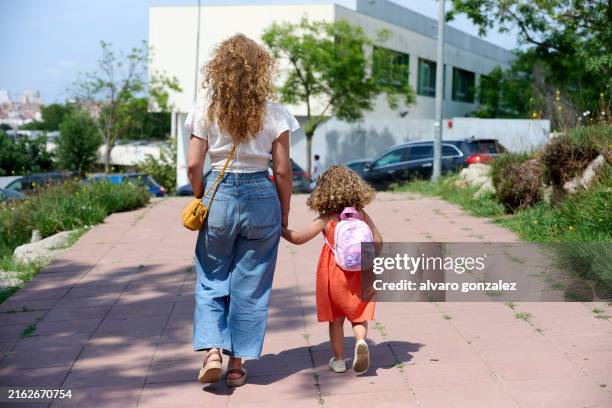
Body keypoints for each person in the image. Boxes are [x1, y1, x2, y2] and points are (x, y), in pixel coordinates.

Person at [185, 34, 299, 387]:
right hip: (262, 196)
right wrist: (283, 211)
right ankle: (236, 366)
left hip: (218, 191)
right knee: (251, 285)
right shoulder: (275, 111)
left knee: (212, 277)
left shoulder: (205, 106)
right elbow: (282, 171)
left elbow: (192, 164)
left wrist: (203, 196)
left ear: (218, 68)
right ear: (261, 70)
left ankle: (213, 351)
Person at [281, 165, 382, 374]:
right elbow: (378, 242)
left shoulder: (327, 219)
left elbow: (299, 238)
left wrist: (278, 229)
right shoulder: (361, 214)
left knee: (336, 321)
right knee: (358, 315)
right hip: (361, 272)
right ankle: (361, 341)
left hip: (334, 273)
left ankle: (338, 360)